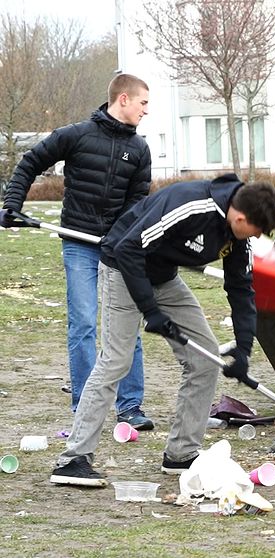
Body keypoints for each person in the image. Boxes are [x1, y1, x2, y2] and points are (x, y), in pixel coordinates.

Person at [47, 174, 275, 486]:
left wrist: (243, 348)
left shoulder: (237, 233)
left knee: (205, 359)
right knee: (116, 361)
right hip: (122, 270)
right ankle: (73, 459)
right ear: (240, 217)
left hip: (163, 278)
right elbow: (129, 248)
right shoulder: (190, 205)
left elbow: (240, 288)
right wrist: (151, 311)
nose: (249, 239)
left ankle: (181, 454)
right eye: (252, 231)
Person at [1, 74, 154, 431]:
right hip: (78, 244)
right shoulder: (76, 135)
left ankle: (130, 406)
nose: (147, 110)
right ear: (124, 99)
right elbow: (29, 163)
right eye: (144, 103)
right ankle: (86, 408)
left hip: (117, 249)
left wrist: (120, 237)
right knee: (83, 324)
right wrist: (11, 204)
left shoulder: (141, 150)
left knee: (125, 327)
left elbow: (136, 203)